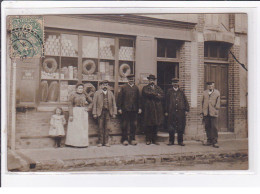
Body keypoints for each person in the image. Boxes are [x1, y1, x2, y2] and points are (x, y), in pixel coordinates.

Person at [117, 74, 142, 146]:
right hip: (125, 109)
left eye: (133, 80)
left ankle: (132, 139)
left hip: (134, 109)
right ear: (128, 80)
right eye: (130, 79)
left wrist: (139, 108)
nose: (131, 81)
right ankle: (124, 139)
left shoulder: (136, 88)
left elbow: (138, 99)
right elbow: (120, 99)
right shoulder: (123, 87)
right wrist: (119, 108)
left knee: (133, 125)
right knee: (124, 124)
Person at [65, 83, 92, 148]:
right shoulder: (73, 95)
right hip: (75, 111)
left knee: (82, 128)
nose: (80, 89)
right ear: (76, 88)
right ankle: (74, 143)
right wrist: (71, 115)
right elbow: (70, 104)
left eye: (82, 88)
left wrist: (88, 108)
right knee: (75, 128)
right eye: (79, 88)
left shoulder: (84, 95)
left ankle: (82, 143)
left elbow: (91, 102)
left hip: (83, 112)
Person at [165, 78, 190, 146]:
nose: (175, 84)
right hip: (171, 112)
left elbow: (185, 101)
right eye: (174, 82)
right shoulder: (169, 91)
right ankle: (171, 141)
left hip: (180, 112)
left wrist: (186, 110)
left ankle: (180, 141)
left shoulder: (181, 91)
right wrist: (166, 111)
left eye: (176, 82)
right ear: (172, 84)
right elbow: (166, 102)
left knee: (180, 127)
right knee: (171, 127)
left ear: (178, 83)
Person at [92, 80, 117, 147]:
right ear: (101, 86)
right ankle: (100, 142)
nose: (105, 86)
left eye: (106, 85)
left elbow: (114, 103)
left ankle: (106, 142)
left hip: (108, 112)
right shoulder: (97, 93)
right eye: (103, 85)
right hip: (100, 112)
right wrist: (94, 113)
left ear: (108, 86)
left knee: (107, 127)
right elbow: (94, 104)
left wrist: (114, 112)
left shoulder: (111, 93)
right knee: (100, 127)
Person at [142, 74, 164, 145]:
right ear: (148, 80)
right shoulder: (145, 88)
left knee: (155, 124)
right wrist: (156, 95)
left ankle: (154, 140)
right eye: (150, 80)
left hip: (157, 109)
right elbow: (146, 94)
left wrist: (154, 95)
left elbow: (162, 96)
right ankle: (148, 139)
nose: (152, 81)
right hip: (149, 108)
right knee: (149, 124)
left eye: (153, 80)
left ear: (154, 81)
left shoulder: (158, 88)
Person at [201, 81, 221, 148]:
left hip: (213, 112)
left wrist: (216, 110)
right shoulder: (204, 93)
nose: (210, 87)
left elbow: (218, 103)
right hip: (206, 113)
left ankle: (215, 141)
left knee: (214, 127)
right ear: (207, 86)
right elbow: (202, 102)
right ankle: (209, 140)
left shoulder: (217, 93)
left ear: (213, 86)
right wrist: (202, 111)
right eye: (209, 86)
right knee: (207, 127)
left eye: (212, 85)